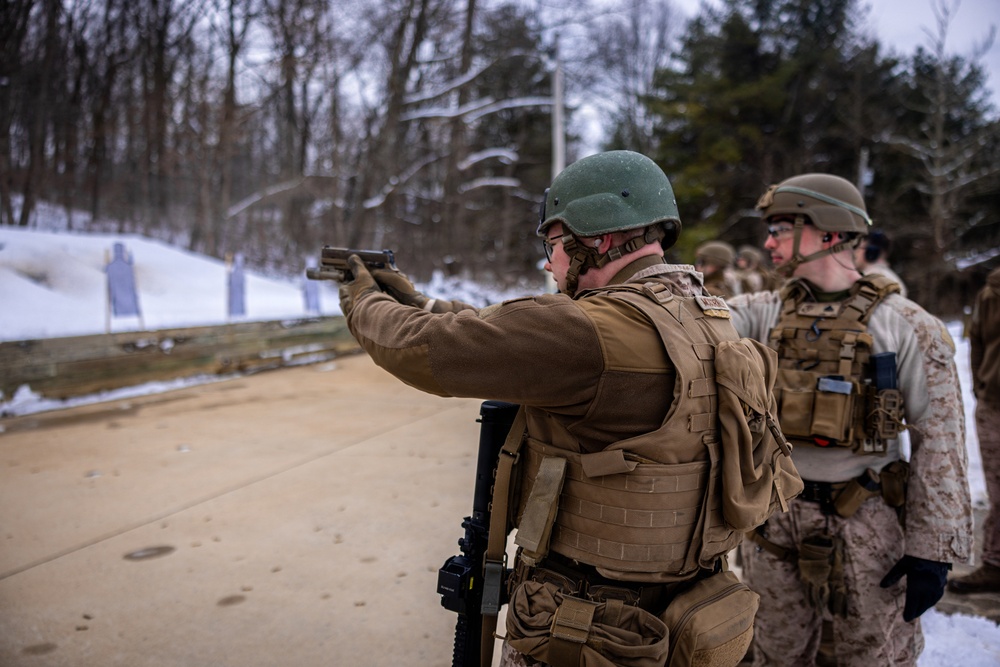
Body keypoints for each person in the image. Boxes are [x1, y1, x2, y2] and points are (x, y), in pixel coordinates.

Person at [337, 150, 797, 667]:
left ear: (595, 239)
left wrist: (363, 301)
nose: (549, 262)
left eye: (554, 244)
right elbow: (508, 336)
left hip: (585, 629)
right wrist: (417, 300)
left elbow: (429, 349)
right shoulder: (706, 315)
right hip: (681, 616)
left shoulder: (592, 331)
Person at [727, 174, 972, 666]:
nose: (768, 242)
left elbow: (940, 441)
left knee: (875, 654)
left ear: (831, 233)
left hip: (867, 522)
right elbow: (685, 327)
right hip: (775, 522)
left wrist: (932, 550)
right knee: (773, 653)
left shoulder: (906, 325)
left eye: (780, 228)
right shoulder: (759, 313)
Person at [948, 266, 1000, 593]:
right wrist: (982, 387)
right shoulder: (992, 291)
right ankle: (995, 564)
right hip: (995, 404)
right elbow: (977, 339)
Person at [854, 229, 908, 298]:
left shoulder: (871, 277)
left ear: (871, 253)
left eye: (859, 248)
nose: (855, 253)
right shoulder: (892, 278)